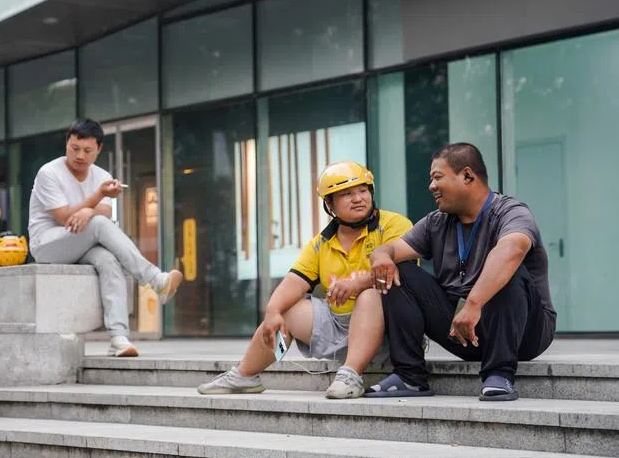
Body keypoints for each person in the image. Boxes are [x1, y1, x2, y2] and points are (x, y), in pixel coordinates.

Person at [198, 161, 412, 399]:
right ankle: (246, 374)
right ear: (329, 204)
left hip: (388, 331)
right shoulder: (321, 242)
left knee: (370, 294)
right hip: (338, 325)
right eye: (347, 194)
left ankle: (351, 375)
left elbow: (403, 275)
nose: (358, 198)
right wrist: (272, 310)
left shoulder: (393, 225)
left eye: (363, 191)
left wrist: (357, 284)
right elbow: (294, 281)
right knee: (285, 311)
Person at [367, 143, 555, 401]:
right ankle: (410, 377)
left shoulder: (510, 212)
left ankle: (499, 373)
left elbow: (512, 249)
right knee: (400, 271)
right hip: (465, 330)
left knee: (510, 268)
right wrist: (380, 256)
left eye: (437, 177)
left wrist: (474, 304)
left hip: (525, 333)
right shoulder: (436, 222)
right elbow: (392, 249)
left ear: (467, 176)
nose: (431, 186)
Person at [28, 118, 183, 358]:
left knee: (109, 260)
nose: (80, 155)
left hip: (80, 243)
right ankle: (155, 279)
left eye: (87, 150)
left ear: (98, 149)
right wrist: (97, 197)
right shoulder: (49, 173)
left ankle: (119, 338)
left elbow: (106, 211)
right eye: (74, 148)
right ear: (66, 144)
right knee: (99, 223)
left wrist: (89, 209)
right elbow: (64, 218)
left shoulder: (102, 175)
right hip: (48, 245)